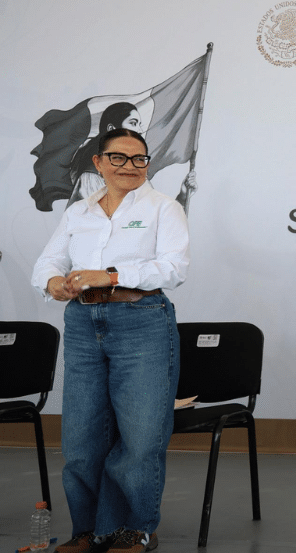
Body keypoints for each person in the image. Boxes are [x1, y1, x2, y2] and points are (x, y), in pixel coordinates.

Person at [31, 128, 189, 553]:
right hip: (83, 323)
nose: (130, 166)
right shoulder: (78, 212)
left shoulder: (164, 208)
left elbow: (173, 268)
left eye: (139, 159)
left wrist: (111, 276)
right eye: (118, 157)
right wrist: (53, 282)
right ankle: (89, 530)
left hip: (142, 320)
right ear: (99, 163)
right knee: (80, 440)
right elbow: (48, 261)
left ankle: (135, 529)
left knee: (140, 439)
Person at [67, 102, 197, 209]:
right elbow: (81, 224)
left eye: (139, 125)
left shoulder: (138, 177)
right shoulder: (91, 178)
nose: (139, 131)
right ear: (112, 129)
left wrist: (183, 196)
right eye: (133, 123)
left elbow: (156, 221)